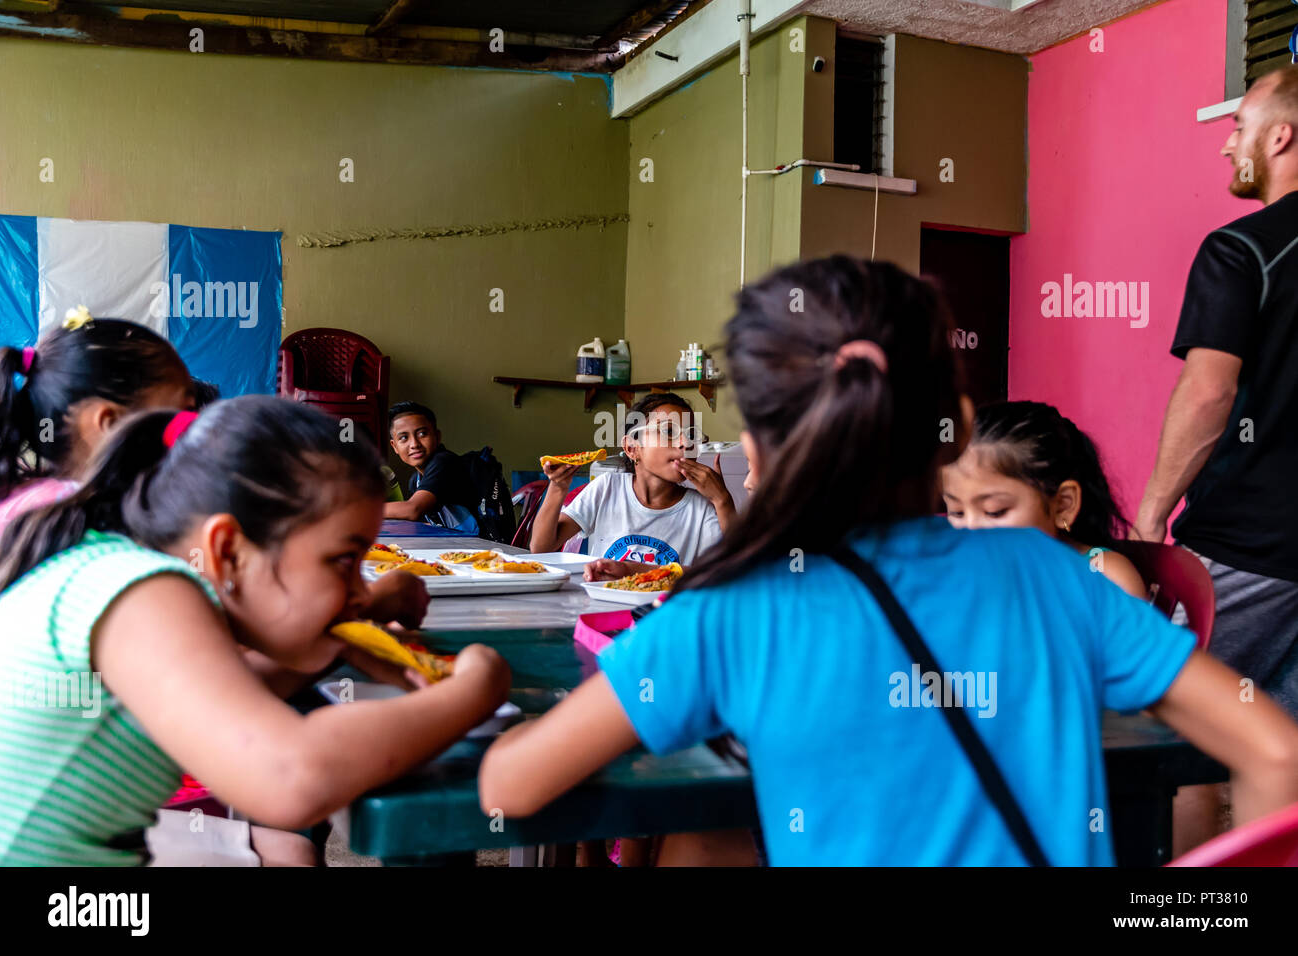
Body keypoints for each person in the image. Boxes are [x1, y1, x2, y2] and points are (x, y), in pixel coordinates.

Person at [478, 256, 1298, 866]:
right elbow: (1275, 752)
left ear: (755, 449)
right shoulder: (1052, 574)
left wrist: (470, 686)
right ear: (958, 420)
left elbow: (511, 787)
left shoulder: (728, 612)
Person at [0, 396, 510, 865]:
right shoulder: (143, 594)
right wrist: (475, 690)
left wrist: (340, 639)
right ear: (226, 551)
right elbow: (291, 777)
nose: (360, 591)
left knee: (287, 850)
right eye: (344, 560)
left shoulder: (119, 567)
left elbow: (220, 694)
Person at [1134, 66, 1298, 717]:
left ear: (1281, 137)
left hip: (1247, 544)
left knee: (1175, 725)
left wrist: (1149, 518)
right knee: (1278, 750)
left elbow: (1207, 393)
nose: (1227, 145)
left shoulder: (1241, 250)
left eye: (1238, 127)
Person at [0, 315, 194, 542]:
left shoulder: (23, 506)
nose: (196, 430)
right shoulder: (96, 531)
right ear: (110, 424)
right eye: (185, 412)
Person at [942, 400, 1146, 598]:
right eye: (957, 512)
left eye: (995, 511)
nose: (971, 530)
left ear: (1063, 506)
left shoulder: (1104, 576)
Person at [529, 393, 734, 578]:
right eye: (669, 431)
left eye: (691, 435)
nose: (685, 443)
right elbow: (541, 548)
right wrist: (557, 486)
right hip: (602, 609)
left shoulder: (701, 509)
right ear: (631, 448)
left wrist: (722, 500)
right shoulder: (607, 488)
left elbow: (730, 571)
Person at [383, 401, 480, 527]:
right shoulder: (416, 480)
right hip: (455, 543)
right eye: (404, 438)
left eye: (422, 434)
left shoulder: (444, 462)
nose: (414, 444)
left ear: (437, 436)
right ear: (394, 446)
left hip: (478, 544)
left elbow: (413, 510)